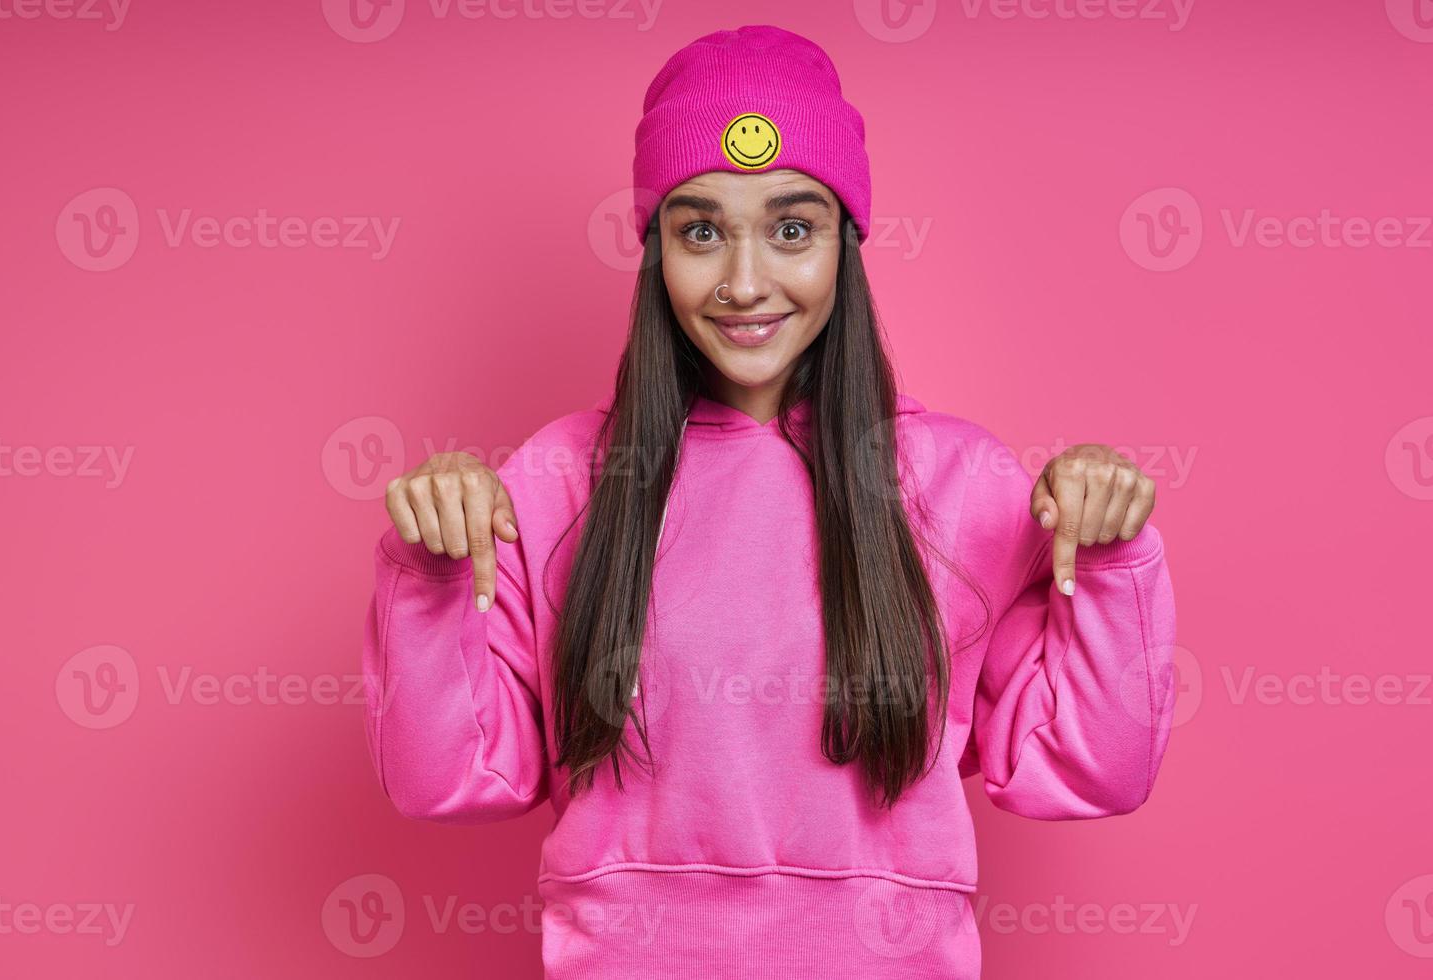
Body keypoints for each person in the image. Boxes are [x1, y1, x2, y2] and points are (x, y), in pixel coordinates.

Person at [362, 23, 1177, 979]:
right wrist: (432, 564)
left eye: (793, 228)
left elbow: (1091, 770)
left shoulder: (965, 485)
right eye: (700, 230)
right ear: (655, 249)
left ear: (847, 243)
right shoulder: (560, 481)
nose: (745, 283)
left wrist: (1113, 553)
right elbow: (442, 777)